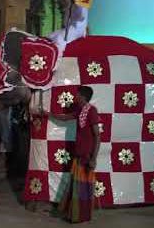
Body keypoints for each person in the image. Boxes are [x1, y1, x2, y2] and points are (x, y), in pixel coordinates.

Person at [58, 86, 100, 223]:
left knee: (82, 190)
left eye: (77, 94)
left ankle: (80, 216)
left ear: (82, 97)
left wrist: (93, 159)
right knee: (78, 188)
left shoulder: (91, 111)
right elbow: (65, 118)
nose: (75, 97)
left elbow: (97, 137)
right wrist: (47, 114)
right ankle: (75, 215)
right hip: (79, 155)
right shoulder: (80, 111)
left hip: (86, 157)